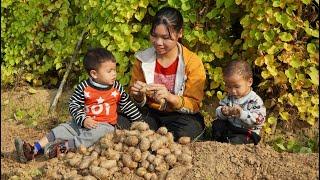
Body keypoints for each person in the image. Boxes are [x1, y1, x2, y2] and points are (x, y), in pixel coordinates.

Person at [15, 48, 142, 162]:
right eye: (109, 71)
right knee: (61, 129)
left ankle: (63, 147)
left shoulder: (116, 88)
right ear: (94, 74)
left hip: (104, 125)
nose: (114, 74)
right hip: (82, 123)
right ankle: (34, 149)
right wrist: (83, 119)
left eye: (114, 70)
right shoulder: (84, 88)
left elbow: (127, 105)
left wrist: (140, 122)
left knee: (96, 134)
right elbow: (74, 105)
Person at [129, 7, 206, 141]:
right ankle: (155, 137)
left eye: (165, 37)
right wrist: (138, 96)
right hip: (150, 112)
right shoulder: (142, 59)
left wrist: (170, 97)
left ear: (179, 33)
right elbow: (137, 100)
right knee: (125, 119)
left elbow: (194, 104)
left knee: (189, 129)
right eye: (154, 35)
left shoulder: (192, 62)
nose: (158, 43)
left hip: (179, 116)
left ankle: (157, 138)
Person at [211, 60, 266, 145]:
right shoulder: (229, 97)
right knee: (217, 124)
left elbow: (258, 120)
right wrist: (223, 111)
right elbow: (217, 113)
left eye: (237, 87)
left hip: (246, 131)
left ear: (249, 82)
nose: (233, 91)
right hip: (231, 128)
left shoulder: (255, 101)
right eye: (229, 87)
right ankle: (217, 143)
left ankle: (230, 143)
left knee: (237, 140)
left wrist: (241, 114)